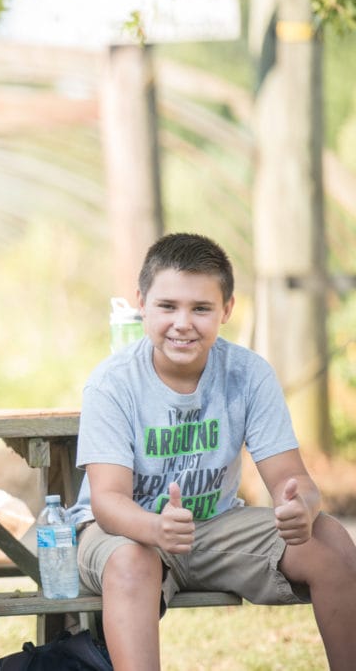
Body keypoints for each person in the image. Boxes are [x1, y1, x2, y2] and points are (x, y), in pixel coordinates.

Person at [69, 233, 356, 669]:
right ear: (141, 304)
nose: (183, 323)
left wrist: (301, 507)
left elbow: (291, 481)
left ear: (226, 310)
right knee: (132, 561)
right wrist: (155, 528)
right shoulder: (113, 383)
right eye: (168, 306)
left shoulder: (248, 374)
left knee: (330, 539)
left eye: (201, 308)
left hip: (215, 524)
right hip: (123, 532)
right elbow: (108, 502)